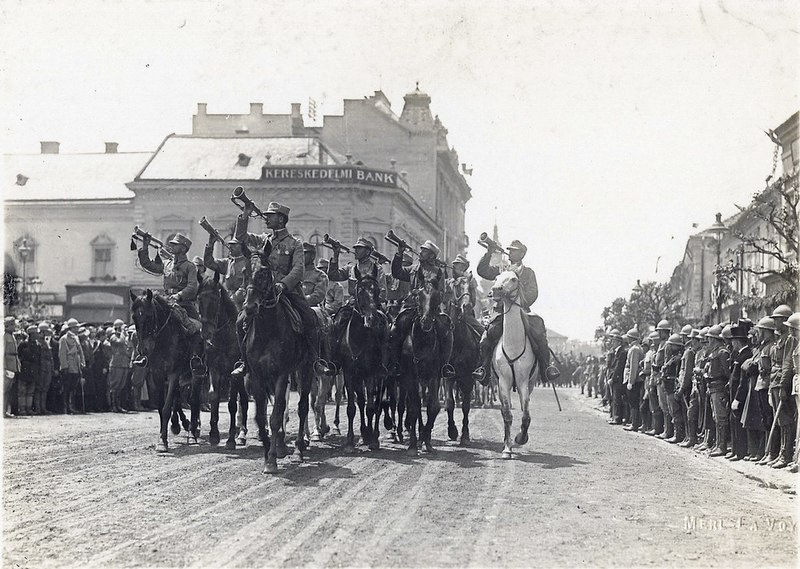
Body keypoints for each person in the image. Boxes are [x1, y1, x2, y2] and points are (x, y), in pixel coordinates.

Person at [230, 201, 329, 379]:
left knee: (308, 316)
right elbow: (241, 237)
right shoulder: (263, 240)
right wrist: (245, 215)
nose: (267, 218)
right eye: (266, 215)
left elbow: (298, 269)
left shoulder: (294, 244)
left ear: (281, 219)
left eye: (271, 216)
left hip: (287, 291)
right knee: (240, 322)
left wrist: (283, 284)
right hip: (263, 290)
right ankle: (244, 361)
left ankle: (315, 360)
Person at [473, 239, 550, 385]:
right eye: (511, 250)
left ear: (522, 254)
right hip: (501, 312)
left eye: (515, 250)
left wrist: (518, 303)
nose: (512, 252)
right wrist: (489, 251)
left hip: (522, 312)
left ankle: (546, 369)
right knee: (485, 339)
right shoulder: (502, 270)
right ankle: (483, 369)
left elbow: (533, 292)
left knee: (539, 333)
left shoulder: (528, 273)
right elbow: (482, 271)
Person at [135, 233, 203, 372]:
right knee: (148, 320)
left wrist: (178, 296)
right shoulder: (167, 264)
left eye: (175, 244)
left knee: (194, 328)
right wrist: (145, 245)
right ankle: (146, 356)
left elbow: (192, 286)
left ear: (183, 249)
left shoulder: (190, 267)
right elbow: (147, 264)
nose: (171, 246)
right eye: (171, 244)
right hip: (165, 301)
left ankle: (195, 358)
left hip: (184, 303)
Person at [386, 238, 453, 379]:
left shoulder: (438, 272)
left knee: (447, 333)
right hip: (411, 307)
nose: (421, 252)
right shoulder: (413, 269)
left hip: (431, 310)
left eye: (425, 251)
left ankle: (444, 366)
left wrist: (430, 296)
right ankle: (395, 363)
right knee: (394, 330)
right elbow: (396, 272)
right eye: (421, 250)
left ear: (431, 256)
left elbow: (442, 292)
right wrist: (399, 253)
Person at [767, 304, 796, 469]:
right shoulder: (780, 339)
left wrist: (784, 386)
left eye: (778, 320)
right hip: (775, 382)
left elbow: (787, 365)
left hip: (781, 383)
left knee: (785, 421)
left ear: (785, 321)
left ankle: (785, 455)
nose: (775, 324)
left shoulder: (789, 340)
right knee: (779, 421)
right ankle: (780, 453)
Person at [704, 324, 731, 457]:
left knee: (721, 418)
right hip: (713, 387)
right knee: (716, 417)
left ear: (715, 339)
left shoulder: (722, 352)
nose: (708, 341)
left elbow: (727, 373)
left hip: (719, 387)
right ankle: (718, 444)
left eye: (710, 338)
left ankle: (722, 446)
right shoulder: (714, 352)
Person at [203, 235, 250, 310]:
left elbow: (245, 287)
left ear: (242, 247)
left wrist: (232, 300)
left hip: (243, 302)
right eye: (230, 245)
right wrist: (211, 244)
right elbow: (209, 262)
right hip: (228, 300)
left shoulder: (248, 263)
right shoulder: (228, 262)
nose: (230, 247)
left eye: (234, 245)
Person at [445, 254, 483, 337]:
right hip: (448, 315)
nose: (455, 268)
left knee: (483, 333)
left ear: (463, 268)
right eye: (454, 266)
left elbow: (473, 301)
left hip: (466, 315)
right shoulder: (449, 282)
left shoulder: (468, 281)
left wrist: (465, 306)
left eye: (459, 266)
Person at [58, 318, 85, 414]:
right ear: (71, 328)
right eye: (76, 327)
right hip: (69, 365)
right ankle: (65, 407)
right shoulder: (64, 339)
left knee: (73, 387)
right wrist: (64, 366)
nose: (77, 329)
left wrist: (82, 363)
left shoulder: (76, 338)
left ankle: (71, 406)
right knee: (66, 388)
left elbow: (80, 351)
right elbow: (62, 353)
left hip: (76, 365)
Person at [16, 325, 41, 415]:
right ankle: (22, 409)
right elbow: (18, 356)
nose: (38, 335)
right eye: (36, 334)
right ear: (31, 334)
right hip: (24, 369)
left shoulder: (37, 345)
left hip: (33, 370)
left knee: (30, 391)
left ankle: (28, 408)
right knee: (22, 391)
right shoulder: (23, 344)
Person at [108, 323, 132, 412]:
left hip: (124, 364)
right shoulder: (114, 337)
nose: (125, 329)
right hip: (116, 364)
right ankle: (113, 405)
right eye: (123, 327)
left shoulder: (124, 336)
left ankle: (118, 405)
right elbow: (120, 342)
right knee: (115, 386)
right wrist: (122, 333)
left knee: (121, 386)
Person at [623, 328, 644, 432]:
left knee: (633, 402)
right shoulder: (636, 348)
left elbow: (633, 366)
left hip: (634, 380)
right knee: (633, 402)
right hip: (636, 379)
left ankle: (634, 424)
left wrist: (631, 381)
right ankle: (634, 422)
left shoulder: (634, 349)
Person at [36, 322, 55, 414]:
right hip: (41, 367)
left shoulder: (46, 342)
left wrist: (52, 368)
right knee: (39, 388)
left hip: (47, 367)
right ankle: (38, 408)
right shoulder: (38, 342)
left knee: (45, 388)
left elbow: (50, 357)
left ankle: (43, 408)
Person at [4, 317, 20, 418]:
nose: (14, 326)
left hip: (13, 365)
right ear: (7, 326)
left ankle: (4, 411)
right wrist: (4, 368)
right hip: (7, 366)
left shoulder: (12, 336)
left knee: (8, 390)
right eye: (12, 324)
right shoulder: (4, 336)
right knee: (4, 390)